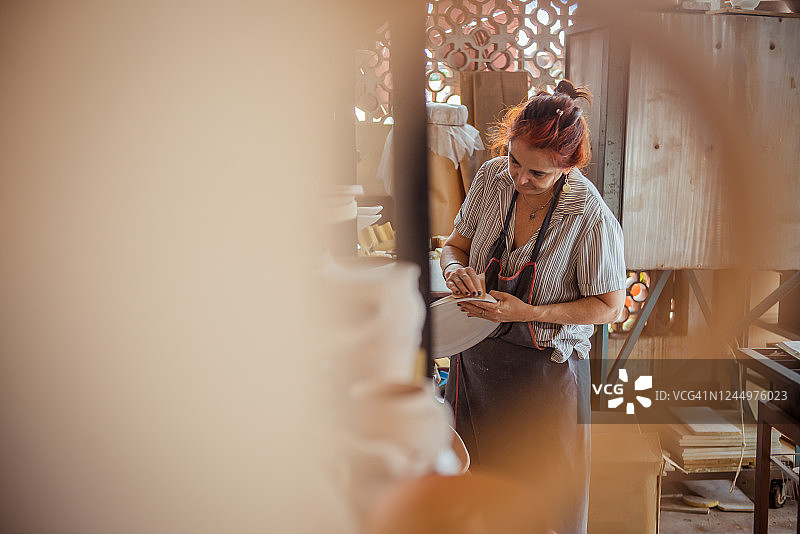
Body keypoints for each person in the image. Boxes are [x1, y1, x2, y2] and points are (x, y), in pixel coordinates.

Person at [439, 80, 626, 534]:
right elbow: (455, 246)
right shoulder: (491, 178)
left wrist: (530, 313)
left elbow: (610, 307)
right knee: (476, 497)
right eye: (515, 161)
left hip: (544, 379)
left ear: (567, 167)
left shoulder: (589, 216)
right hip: (475, 369)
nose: (520, 179)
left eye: (537, 174)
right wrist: (453, 272)